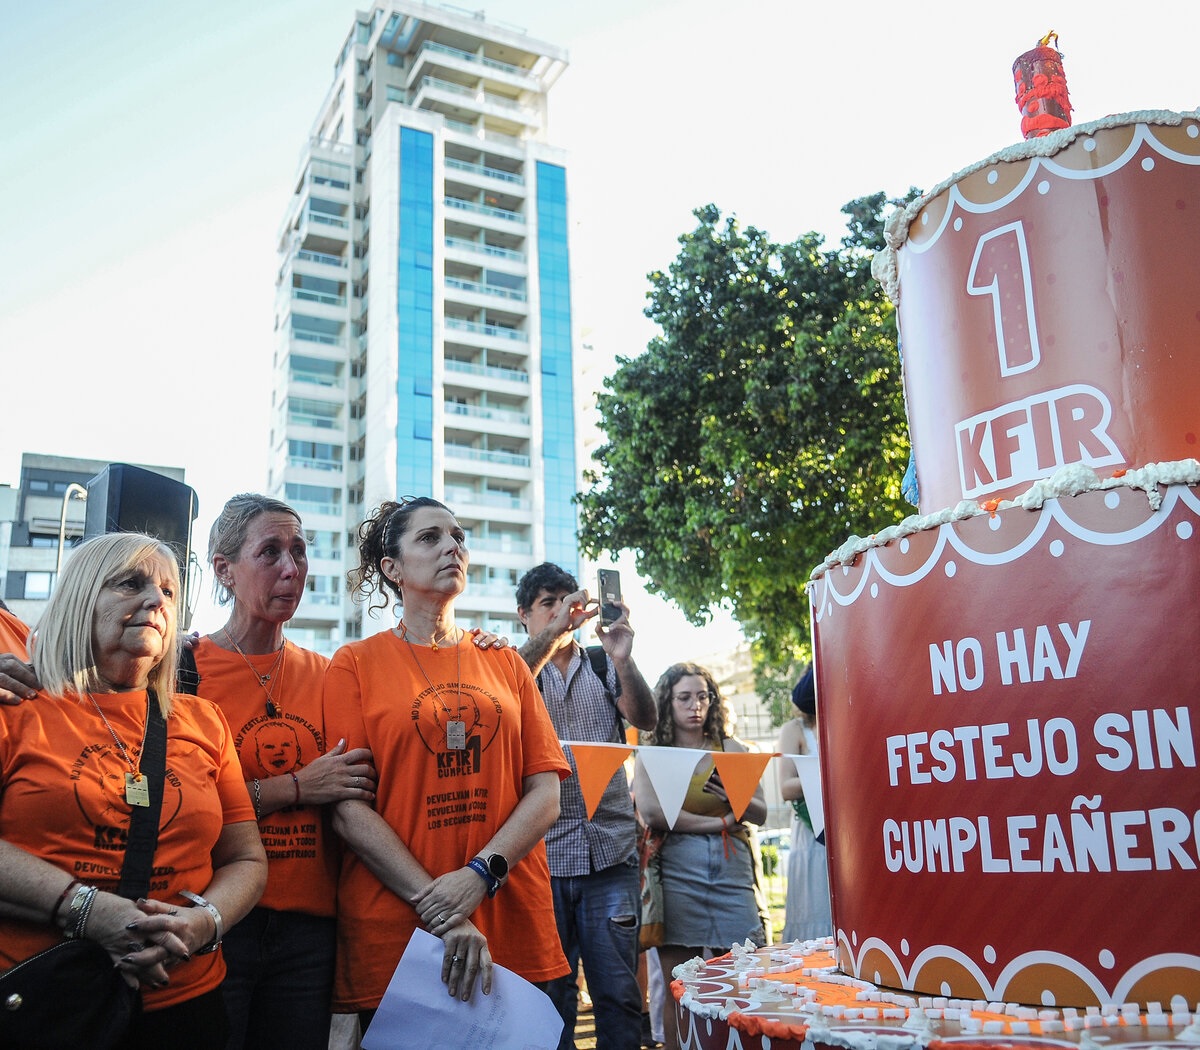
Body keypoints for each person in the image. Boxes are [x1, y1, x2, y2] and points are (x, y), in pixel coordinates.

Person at [0, 532, 267, 1049]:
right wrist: (86, 910)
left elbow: (246, 861)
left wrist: (203, 923)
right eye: (131, 583)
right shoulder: (16, 710)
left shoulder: (205, 721)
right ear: (80, 599)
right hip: (47, 1004)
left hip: (186, 1005)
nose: (156, 601)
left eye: (168, 592)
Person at [323, 497, 571, 1036]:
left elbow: (546, 792)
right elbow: (347, 809)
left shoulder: (504, 659)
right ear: (391, 569)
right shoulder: (354, 664)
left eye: (458, 536)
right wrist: (442, 908)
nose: (451, 547)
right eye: (430, 538)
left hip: (509, 921)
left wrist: (482, 875)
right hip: (401, 933)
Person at [195, 493, 379, 1050]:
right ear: (224, 569)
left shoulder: (330, 675)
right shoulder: (182, 671)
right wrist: (299, 786)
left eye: (298, 552)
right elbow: (186, 803)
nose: (291, 568)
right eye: (270, 552)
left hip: (311, 930)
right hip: (215, 918)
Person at [515, 562, 658, 1050]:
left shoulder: (601, 663)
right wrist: (551, 640)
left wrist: (623, 659)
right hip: (540, 860)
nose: (559, 612)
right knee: (550, 998)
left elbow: (647, 719)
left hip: (611, 854)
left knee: (618, 994)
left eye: (564, 600)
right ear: (524, 617)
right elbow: (502, 707)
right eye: (546, 604)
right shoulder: (515, 670)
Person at [631, 662, 767, 1050]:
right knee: (680, 982)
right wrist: (723, 820)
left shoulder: (732, 748)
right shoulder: (653, 752)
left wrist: (731, 796)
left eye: (703, 696)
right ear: (667, 702)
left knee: (743, 971)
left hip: (732, 870)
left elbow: (759, 812)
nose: (696, 706)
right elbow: (655, 815)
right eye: (685, 697)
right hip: (676, 871)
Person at [776, 664, 831, 943]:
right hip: (812, 833)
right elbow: (786, 787)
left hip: (847, 827)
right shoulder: (794, 730)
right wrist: (831, 772)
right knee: (817, 905)